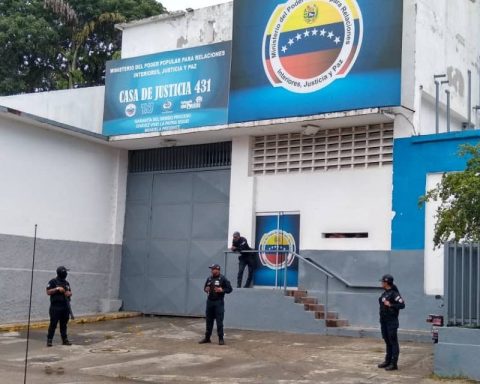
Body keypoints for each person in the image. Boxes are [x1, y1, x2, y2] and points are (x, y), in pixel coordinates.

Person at [199, 264, 233, 345]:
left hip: (219, 302)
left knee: (219, 321)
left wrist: (222, 290)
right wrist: (205, 289)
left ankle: (221, 339)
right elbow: (205, 288)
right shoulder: (209, 278)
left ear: (218, 270)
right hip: (210, 302)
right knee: (209, 320)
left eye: (213, 269)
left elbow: (230, 289)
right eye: (211, 269)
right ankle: (207, 338)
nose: (212, 270)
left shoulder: (223, 278)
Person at [377, 274, 405, 371]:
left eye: (382, 282)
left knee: (393, 342)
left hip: (391, 321)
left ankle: (394, 363)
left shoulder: (394, 294)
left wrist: (391, 304)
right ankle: (387, 361)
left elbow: (402, 305)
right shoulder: (384, 293)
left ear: (386, 282)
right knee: (387, 341)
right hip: (384, 321)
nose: (381, 283)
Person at [46, 266, 73, 347]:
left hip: (65, 306)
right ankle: (49, 340)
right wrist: (57, 289)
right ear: (62, 273)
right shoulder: (53, 281)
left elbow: (69, 292)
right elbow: (48, 292)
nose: (66, 274)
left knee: (64, 324)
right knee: (53, 324)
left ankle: (65, 340)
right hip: (55, 307)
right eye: (65, 272)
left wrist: (69, 293)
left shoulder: (66, 283)